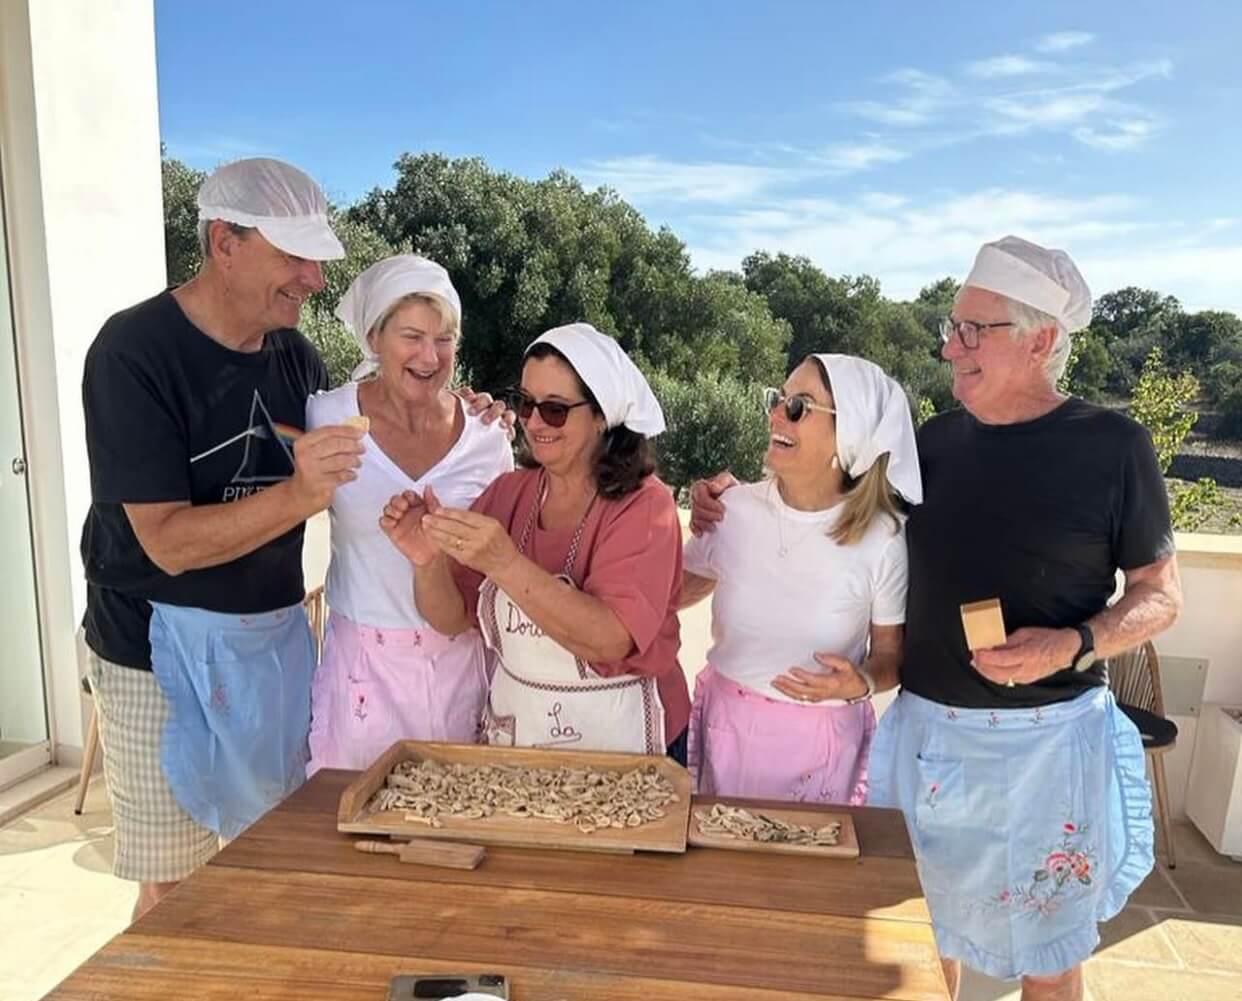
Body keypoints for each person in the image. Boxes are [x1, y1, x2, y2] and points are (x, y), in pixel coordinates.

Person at [691, 236, 1182, 1001]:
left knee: (1050, 958)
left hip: (1048, 744)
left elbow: (1161, 595)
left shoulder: (1115, 447)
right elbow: (835, 513)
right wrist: (727, 506)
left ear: (1041, 340)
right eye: (952, 328)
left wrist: (1073, 642)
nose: (951, 347)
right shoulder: (934, 444)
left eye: (972, 330)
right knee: (923, 935)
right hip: (931, 743)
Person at [80, 158, 360, 919]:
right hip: (151, 655)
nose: (314, 279)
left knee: (269, 862)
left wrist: (457, 417)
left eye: (317, 260)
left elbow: (357, 446)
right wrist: (297, 493)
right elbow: (167, 543)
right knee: (176, 886)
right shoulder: (134, 352)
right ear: (224, 242)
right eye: (294, 256)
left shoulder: (296, 358)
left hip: (268, 647)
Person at [380, 322, 691, 759]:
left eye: (556, 409)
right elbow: (452, 618)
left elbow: (610, 639)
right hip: (523, 736)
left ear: (601, 416)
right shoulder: (508, 493)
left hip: (627, 741)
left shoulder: (645, 506)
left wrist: (505, 563)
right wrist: (427, 561)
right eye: (526, 403)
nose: (535, 422)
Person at [679, 353, 919, 803]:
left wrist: (861, 683)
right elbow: (665, 595)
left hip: (823, 753)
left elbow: (890, 656)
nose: (775, 414)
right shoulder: (731, 511)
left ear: (850, 435)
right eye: (778, 398)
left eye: (797, 407)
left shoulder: (883, 540)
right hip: (727, 734)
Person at [305, 255, 513, 772]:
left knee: (459, 812)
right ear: (374, 338)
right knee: (357, 815)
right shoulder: (326, 417)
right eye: (412, 336)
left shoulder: (489, 438)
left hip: (461, 666)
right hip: (363, 674)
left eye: (444, 339)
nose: (429, 355)